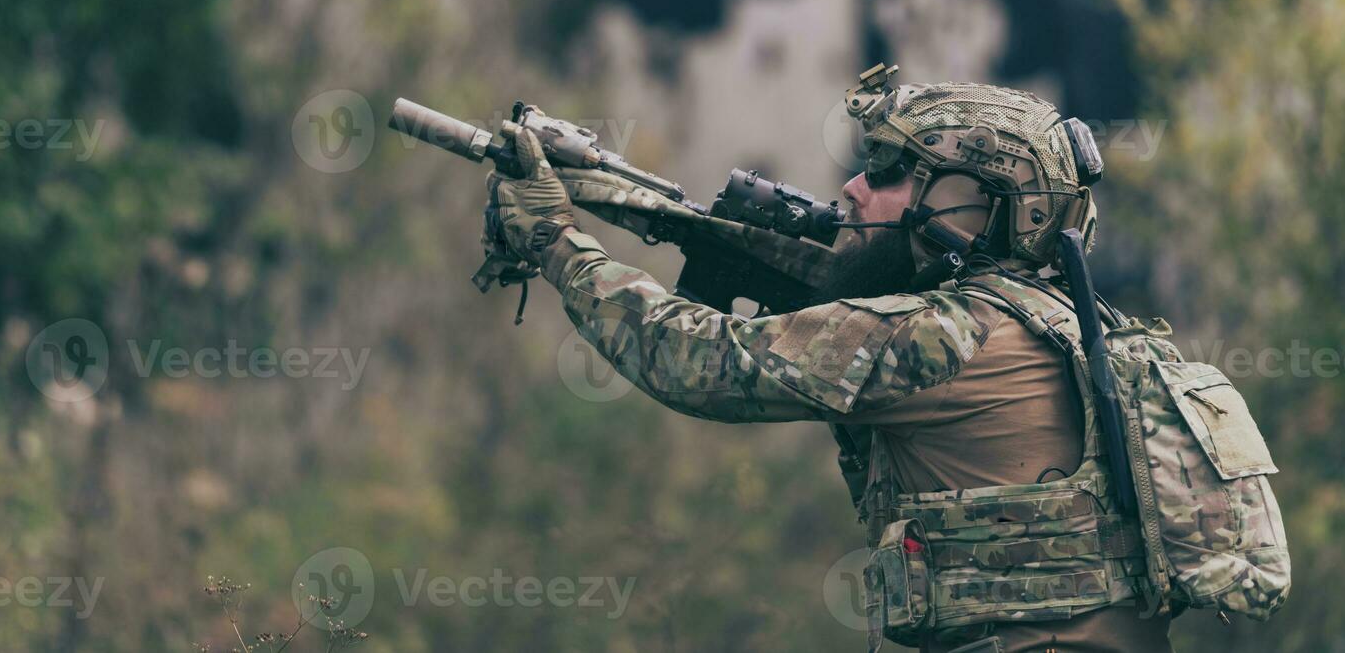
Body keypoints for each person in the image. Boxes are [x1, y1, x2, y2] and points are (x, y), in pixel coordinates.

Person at [482, 68, 1173, 653]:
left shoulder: (942, 338)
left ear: (968, 202)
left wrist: (556, 239)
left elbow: (694, 359)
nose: (852, 191)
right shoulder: (1048, 321)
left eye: (888, 173)